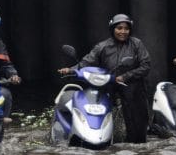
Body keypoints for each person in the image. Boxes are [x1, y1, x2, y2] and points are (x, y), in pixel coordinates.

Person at [57, 13, 151, 143]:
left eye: (126, 28)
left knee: (137, 122)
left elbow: (146, 65)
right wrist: (71, 70)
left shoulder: (136, 44)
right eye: (119, 28)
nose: (123, 31)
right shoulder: (102, 46)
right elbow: (86, 62)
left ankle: (137, 144)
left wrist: (125, 76)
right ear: (113, 29)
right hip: (109, 84)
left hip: (132, 86)